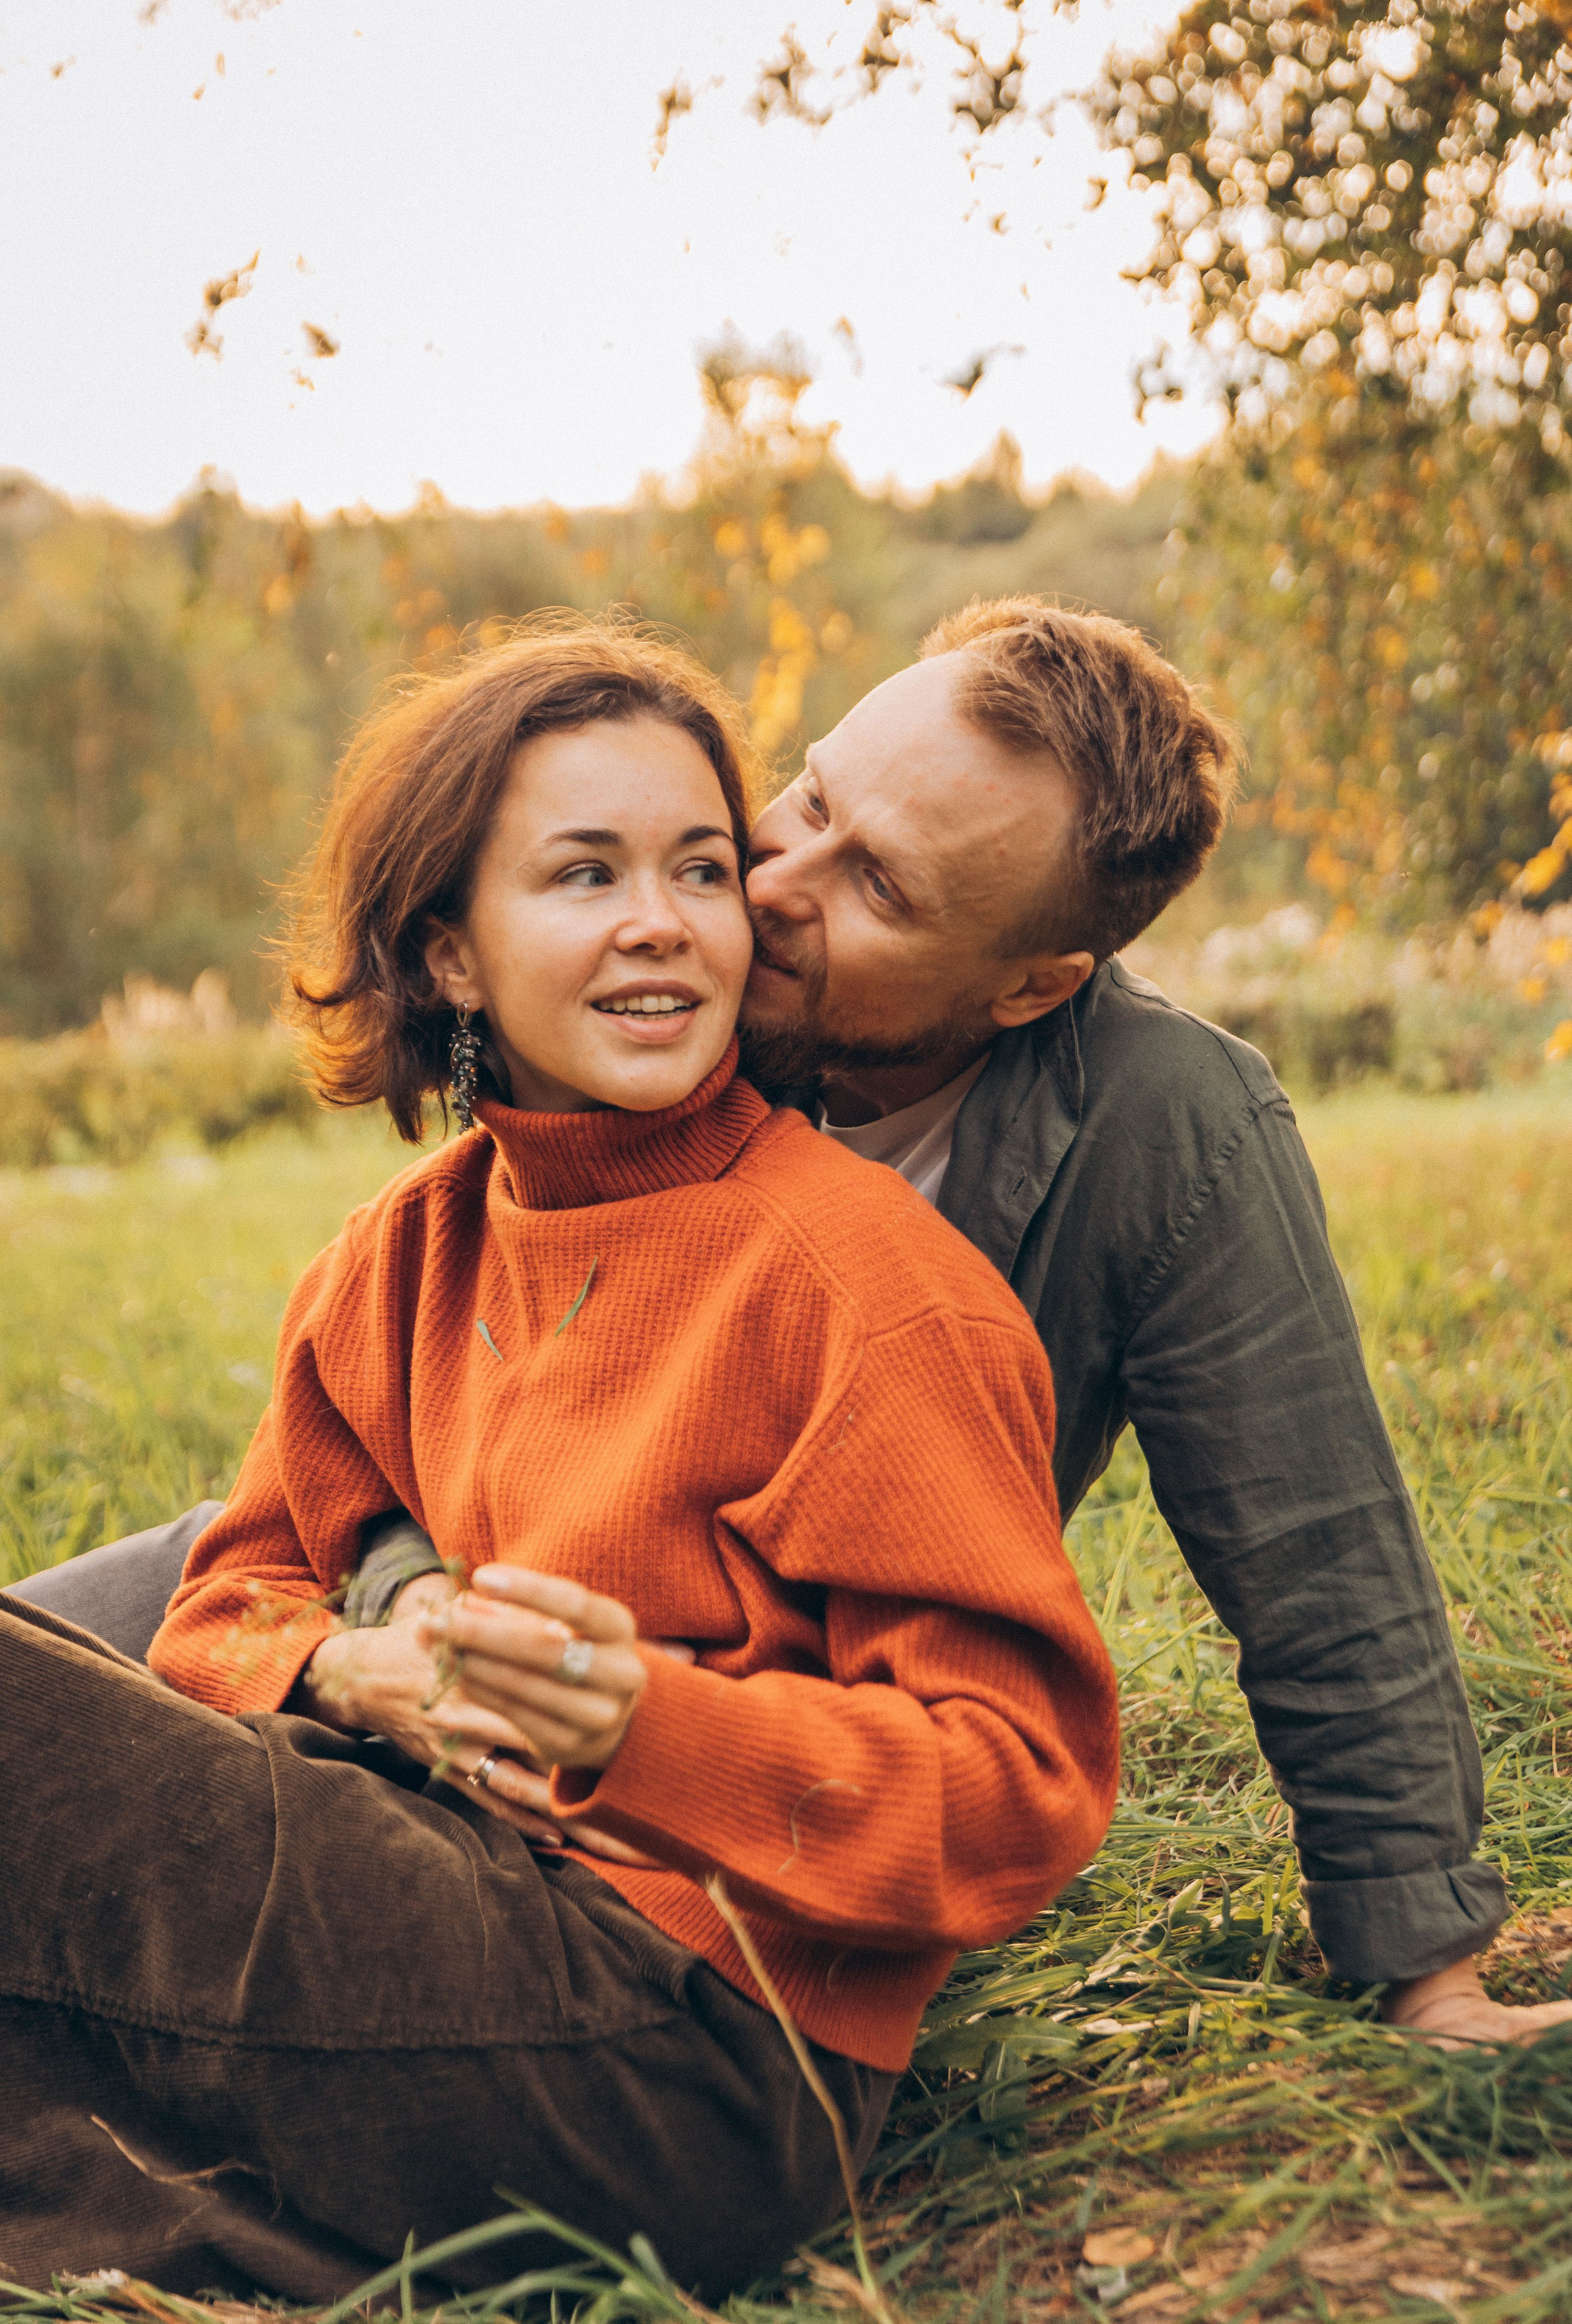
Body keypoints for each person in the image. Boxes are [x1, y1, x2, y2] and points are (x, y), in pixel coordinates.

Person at [20, 594, 1565, 2048]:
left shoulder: (1160, 1131)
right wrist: (386, 1609)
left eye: (875, 884)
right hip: (447, 1582)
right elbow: (433, 1368)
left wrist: (1419, 1960)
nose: (762, 891)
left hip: (731, 1784)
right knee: (89, 1657)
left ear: (1030, 985)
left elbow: (1315, 1546)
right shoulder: (678, 991)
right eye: (808, 802)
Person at [0, 619, 1118, 2299]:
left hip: (686, 2057)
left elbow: (1016, 1793)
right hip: (425, 1879)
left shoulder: (856, 1290)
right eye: (584, 874)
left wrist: (651, 1727)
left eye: (699, 868)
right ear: (451, 955)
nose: (662, 920)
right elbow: (238, 1581)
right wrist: (356, 1664)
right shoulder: (406, 1250)